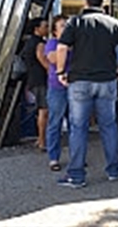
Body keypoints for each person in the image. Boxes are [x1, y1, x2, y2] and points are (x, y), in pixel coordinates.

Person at [55, 0, 118, 188]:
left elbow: (62, 47)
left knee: (79, 128)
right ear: (103, 2)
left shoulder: (75, 22)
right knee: (108, 126)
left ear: (86, 2)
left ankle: (76, 175)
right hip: (107, 81)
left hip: (80, 81)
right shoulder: (115, 23)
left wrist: (60, 71)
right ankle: (113, 170)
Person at [45, 15, 69, 171]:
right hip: (57, 88)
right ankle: (53, 157)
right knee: (55, 123)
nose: (66, 28)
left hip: (73, 86)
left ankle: (77, 155)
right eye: (62, 26)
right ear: (54, 31)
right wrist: (64, 47)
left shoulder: (75, 44)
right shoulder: (52, 43)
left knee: (76, 124)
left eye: (67, 25)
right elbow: (52, 59)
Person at [21, 17, 49, 151]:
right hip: (41, 80)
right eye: (45, 26)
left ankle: (40, 138)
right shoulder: (39, 44)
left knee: (40, 110)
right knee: (44, 110)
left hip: (33, 79)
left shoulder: (29, 42)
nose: (47, 28)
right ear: (37, 29)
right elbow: (43, 61)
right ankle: (42, 141)